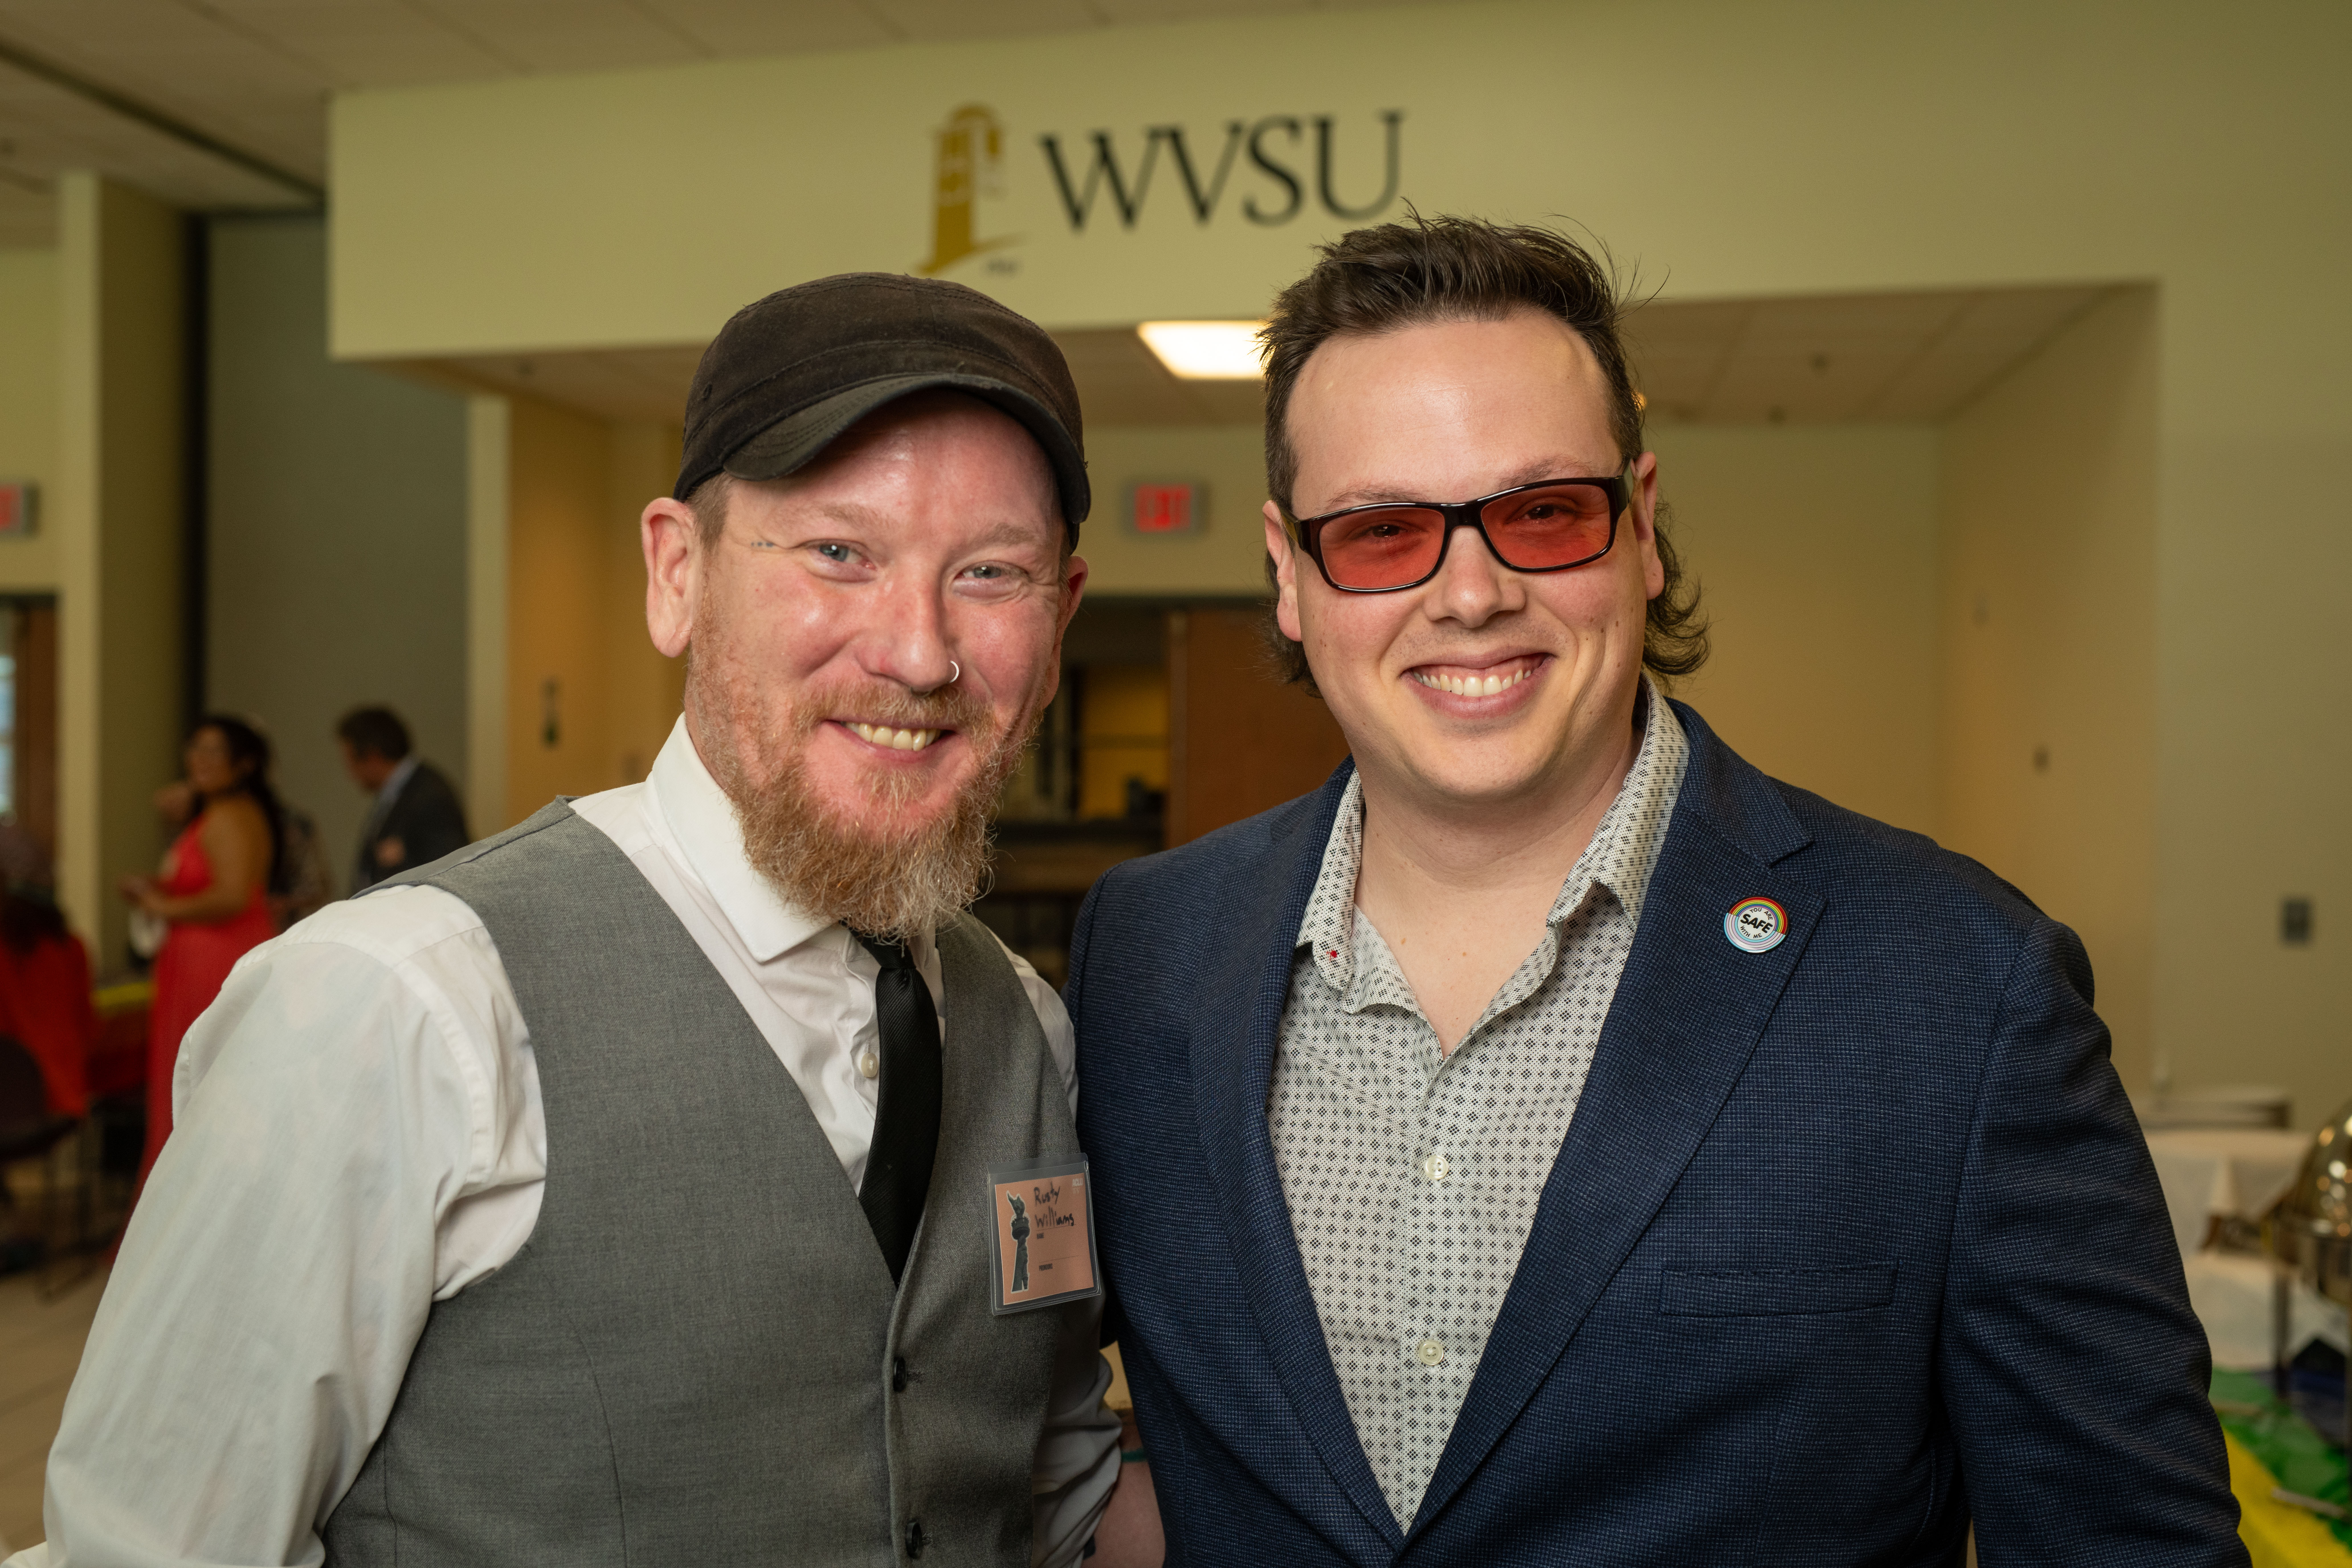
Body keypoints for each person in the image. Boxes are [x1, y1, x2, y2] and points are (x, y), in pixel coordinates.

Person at [1066, 218, 2244, 1564]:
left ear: (1640, 532)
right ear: (1287, 574)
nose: (1470, 593)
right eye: (1383, 532)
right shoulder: (1145, 956)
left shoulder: (1956, 988)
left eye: (1540, 514)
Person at [18, 275, 1124, 1568]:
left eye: (991, 573)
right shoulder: (399, 1006)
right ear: (676, 573)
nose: (921, 652)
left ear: (1058, 623)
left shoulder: (1024, 1029)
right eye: (839, 553)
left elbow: (1043, 1500)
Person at [119, 715, 282, 1191]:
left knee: (207, 1082)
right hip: (199, 955)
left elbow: (232, 895)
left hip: (214, 958)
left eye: (215, 751)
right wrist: (160, 885)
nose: (200, 760)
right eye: (196, 748)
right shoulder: (221, 812)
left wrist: (159, 904)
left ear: (244, 763)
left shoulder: (232, 815)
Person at [337, 705, 470, 891]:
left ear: (373, 756)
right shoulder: (395, 793)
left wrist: (403, 858)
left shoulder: (430, 796)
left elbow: (449, 872)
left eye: (351, 761)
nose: (351, 773)